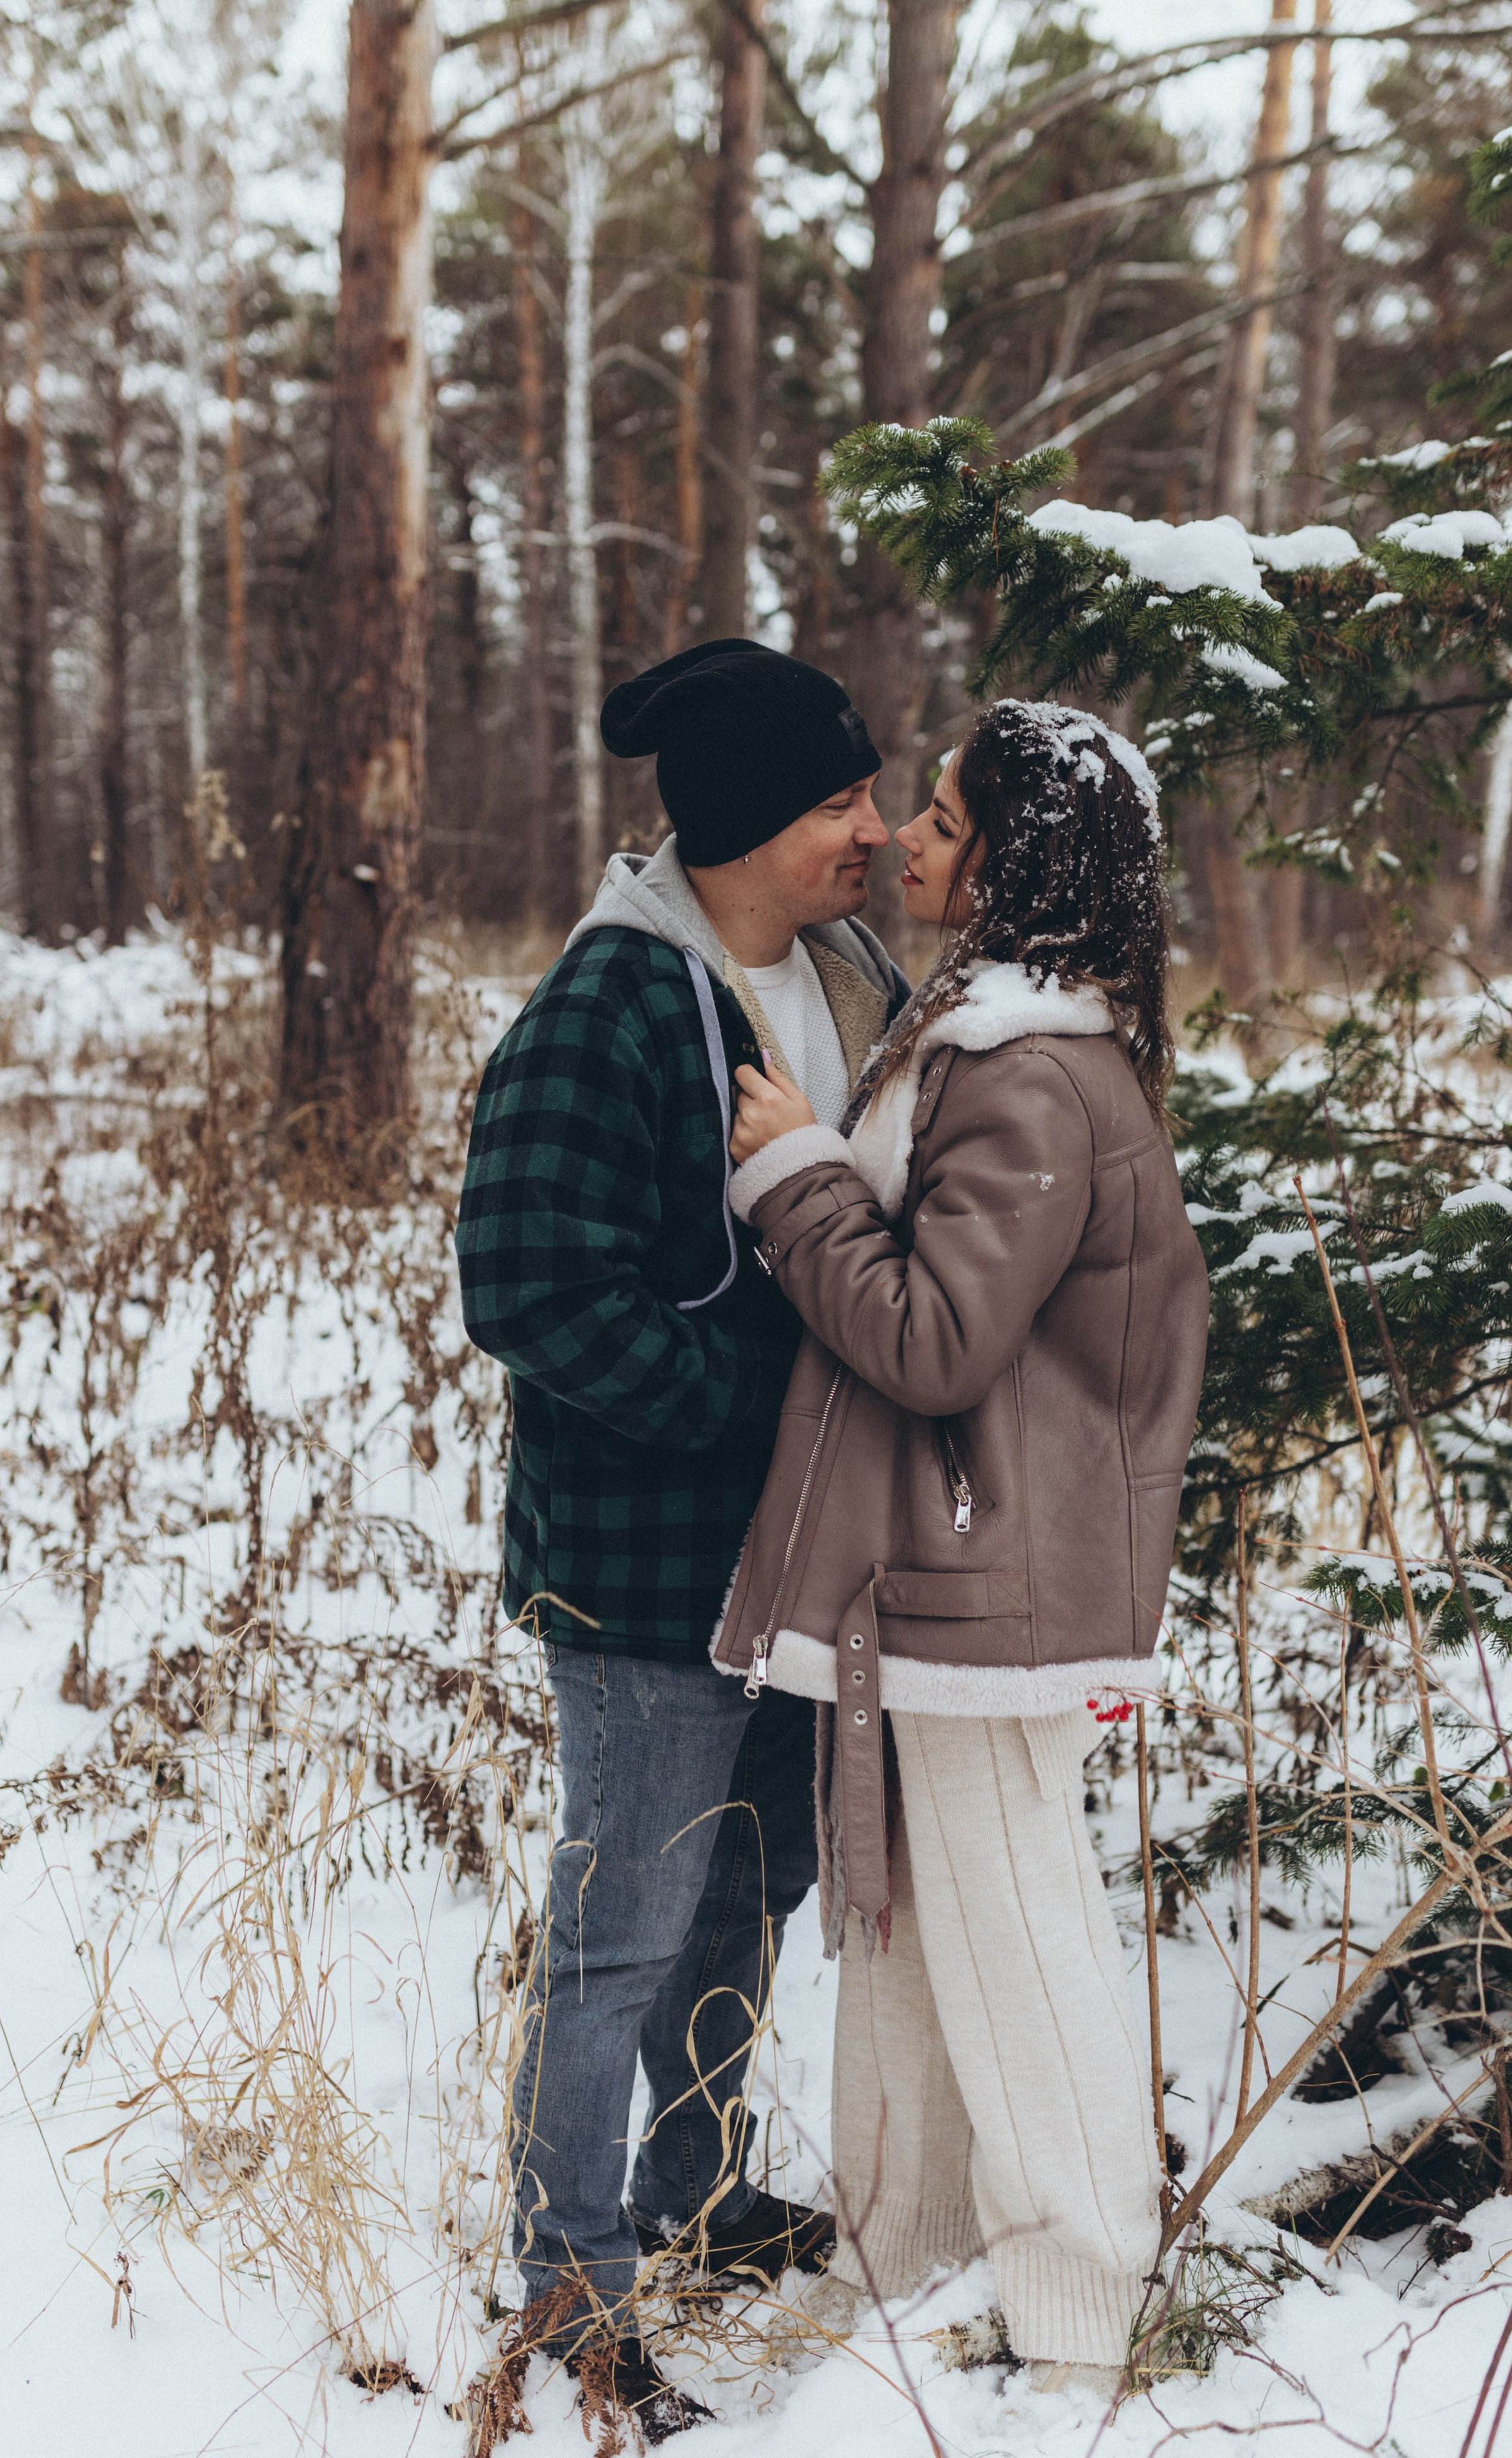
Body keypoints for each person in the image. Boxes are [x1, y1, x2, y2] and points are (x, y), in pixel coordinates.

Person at [713, 698, 1209, 2401]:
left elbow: (934, 1340)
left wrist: (794, 1182)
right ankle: (906, 2252)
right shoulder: (990, 1046)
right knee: (917, 1922)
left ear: (1013, 860)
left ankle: (1082, 2299)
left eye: (937, 816)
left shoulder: (1032, 1081)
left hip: (986, 1580)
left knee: (1012, 1923)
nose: (906, 842)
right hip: (943, 1575)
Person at [454, 639, 908, 2438]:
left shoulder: (849, 979)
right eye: (834, 804)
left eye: (872, 795)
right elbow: (528, 1285)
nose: (871, 830)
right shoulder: (614, 1007)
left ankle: (695, 2194)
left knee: (747, 1892)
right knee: (621, 1924)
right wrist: (754, 1407)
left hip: (804, 1556)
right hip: (648, 1567)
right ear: (733, 824)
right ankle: (571, 2277)